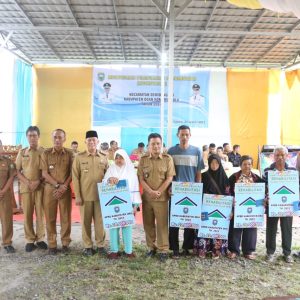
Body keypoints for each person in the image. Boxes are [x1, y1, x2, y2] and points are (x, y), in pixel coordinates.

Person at [168, 125, 204, 258]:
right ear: (177, 135)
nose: (184, 137)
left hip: (192, 192)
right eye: (182, 134)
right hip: (176, 192)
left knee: (190, 221)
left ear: (190, 135)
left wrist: (198, 189)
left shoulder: (197, 151)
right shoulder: (171, 151)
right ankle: (174, 248)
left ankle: (187, 247)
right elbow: (168, 173)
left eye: (186, 134)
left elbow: (198, 173)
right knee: (174, 221)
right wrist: (169, 187)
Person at [137, 133, 175, 262]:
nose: (155, 146)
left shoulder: (167, 158)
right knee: (148, 224)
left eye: (158, 143)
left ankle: (163, 249)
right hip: (147, 198)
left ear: (161, 144)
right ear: (148, 145)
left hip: (162, 198)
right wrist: (150, 191)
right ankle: (151, 248)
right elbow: (141, 178)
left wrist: (158, 191)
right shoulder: (143, 160)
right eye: (153, 144)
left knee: (162, 224)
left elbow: (169, 177)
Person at [72, 130, 108, 256]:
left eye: (94, 139)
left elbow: (108, 176)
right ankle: (87, 246)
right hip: (85, 196)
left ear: (97, 141)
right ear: (85, 142)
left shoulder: (104, 157)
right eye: (89, 140)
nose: (92, 142)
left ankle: (100, 245)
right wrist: (77, 196)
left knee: (100, 222)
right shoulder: (79, 157)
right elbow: (75, 177)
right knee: (85, 222)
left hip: (100, 197)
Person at [103, 149, 141, 259]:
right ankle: (114, 250)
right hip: (113, 203)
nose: (119, 160)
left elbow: (135, 187)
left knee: (126, 226)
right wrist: (109, 179)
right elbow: (104, 182)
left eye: (121, 158)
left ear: (125, 158)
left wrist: (135, 205)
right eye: (116, 158)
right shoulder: (111, 169)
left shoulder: (131, 171)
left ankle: (128, 250)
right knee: (113, 226)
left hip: (128, 204)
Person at [40, 129, 73, 255]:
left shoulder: (70, 154)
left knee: (65, 217)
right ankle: (52, 244)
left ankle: (65, 243)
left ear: (64, 139)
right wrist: (58, 185)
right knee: (50, 217)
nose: (57, 140)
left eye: (60, 137)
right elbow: (44, 173)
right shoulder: (46, 153)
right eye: (55, 137)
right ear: (52, 138)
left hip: (65, 189)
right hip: (50, 190)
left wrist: (64, 186)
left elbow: (72, 173)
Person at [16, 126, 47, 252]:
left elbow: (47, 171)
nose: (32, 138)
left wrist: (38, 181)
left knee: (40, 214)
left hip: (40, 187)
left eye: (34, 135)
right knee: (27, 214)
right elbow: (17, 171)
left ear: (38, 136)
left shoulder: (44, 152)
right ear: (27, 137)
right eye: (30, 135)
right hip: (26, 187)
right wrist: (28, 182)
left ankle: (40, 239)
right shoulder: (22, 152)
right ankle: (29, 240)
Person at [227, 155, 265, 260]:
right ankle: (234, 250)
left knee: (251, 227)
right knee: (235, 228)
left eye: (249, 164)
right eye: (244, 164)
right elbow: (228, 191)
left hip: (253, 208)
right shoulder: (233, 177)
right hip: (237, 207)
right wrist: (231, 201)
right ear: (240, 165)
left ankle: (248, 251)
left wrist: (265, 199)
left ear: (252, 165)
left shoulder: (257, 178)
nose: (247, 166)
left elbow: (264, 191)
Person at [194, 154, 230, 259]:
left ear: (219, 164)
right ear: (209, 164)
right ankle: (202, 250)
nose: (214, 165)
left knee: (217, 228)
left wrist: (228, 208)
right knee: (204, 227)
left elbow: (228, 194)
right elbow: (199, 191)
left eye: (216, 163)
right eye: (212, 163)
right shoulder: (204, 176)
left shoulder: (224, 178)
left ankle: (216, 250)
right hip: (205, 208)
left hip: (220, 209)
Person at [263, 145, 295, 263]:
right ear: (273, 157)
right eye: (277, 155)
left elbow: (296, 188)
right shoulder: (267, 171)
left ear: (287, 156)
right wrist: (266, 197)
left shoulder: (293, 171)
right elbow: (264, 188)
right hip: (273, 205)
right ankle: (270, 252)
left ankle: (287, 253)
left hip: (288, 205)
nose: (280, 157)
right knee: (271, 228)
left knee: (287, 228)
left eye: (282, 155)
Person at [0, 152, 16, 253]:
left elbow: (12, 176)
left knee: (6, 218)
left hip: (4, 193)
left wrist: (3, 191)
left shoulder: (8, 161)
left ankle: (7, 242)